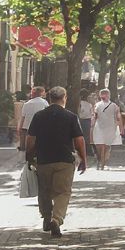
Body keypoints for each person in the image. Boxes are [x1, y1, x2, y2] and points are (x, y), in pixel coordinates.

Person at [24, 86, 86, 238]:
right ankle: (56, 219)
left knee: (44, 191)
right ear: (64, 98)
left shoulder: (39, 116)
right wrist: (83, 158)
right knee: (62, 192)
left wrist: (29, 155)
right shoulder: (70, 116)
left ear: (49, 99)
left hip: (44, 159)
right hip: (64, 160)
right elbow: (79, 140)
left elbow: (30, 138)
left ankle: (46, 217)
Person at [91, 88, 123, 171]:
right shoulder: (112, 105)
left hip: (104, 127)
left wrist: (92, 127)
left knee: (103, 146)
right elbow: (118, 118)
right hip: (106, 127)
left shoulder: (101, 105)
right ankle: (102, 162)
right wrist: (121, 128)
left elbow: (94, 117)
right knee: (103, 146)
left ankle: (101, 162)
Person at [16, 86, 48, 156]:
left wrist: (20, 128)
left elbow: (23, 117)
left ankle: (26, 153)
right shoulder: (45, 103)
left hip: (27, 127)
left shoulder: (27, 104)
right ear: (41, 93)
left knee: (28, 145)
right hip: (41, 127)